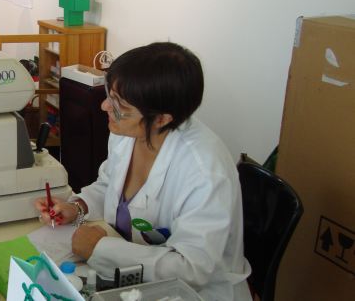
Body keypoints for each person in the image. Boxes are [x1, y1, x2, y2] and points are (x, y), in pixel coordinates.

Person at [33, 43, 252, 301]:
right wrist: (77, 206)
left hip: (195, 293)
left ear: (161, 119)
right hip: (132, 275)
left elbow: (192, 269)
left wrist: (99, 248)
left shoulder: (204, 172)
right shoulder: (128, 132)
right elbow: (108, 184)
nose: (104, 106)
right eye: (109, 95)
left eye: (119, 104)